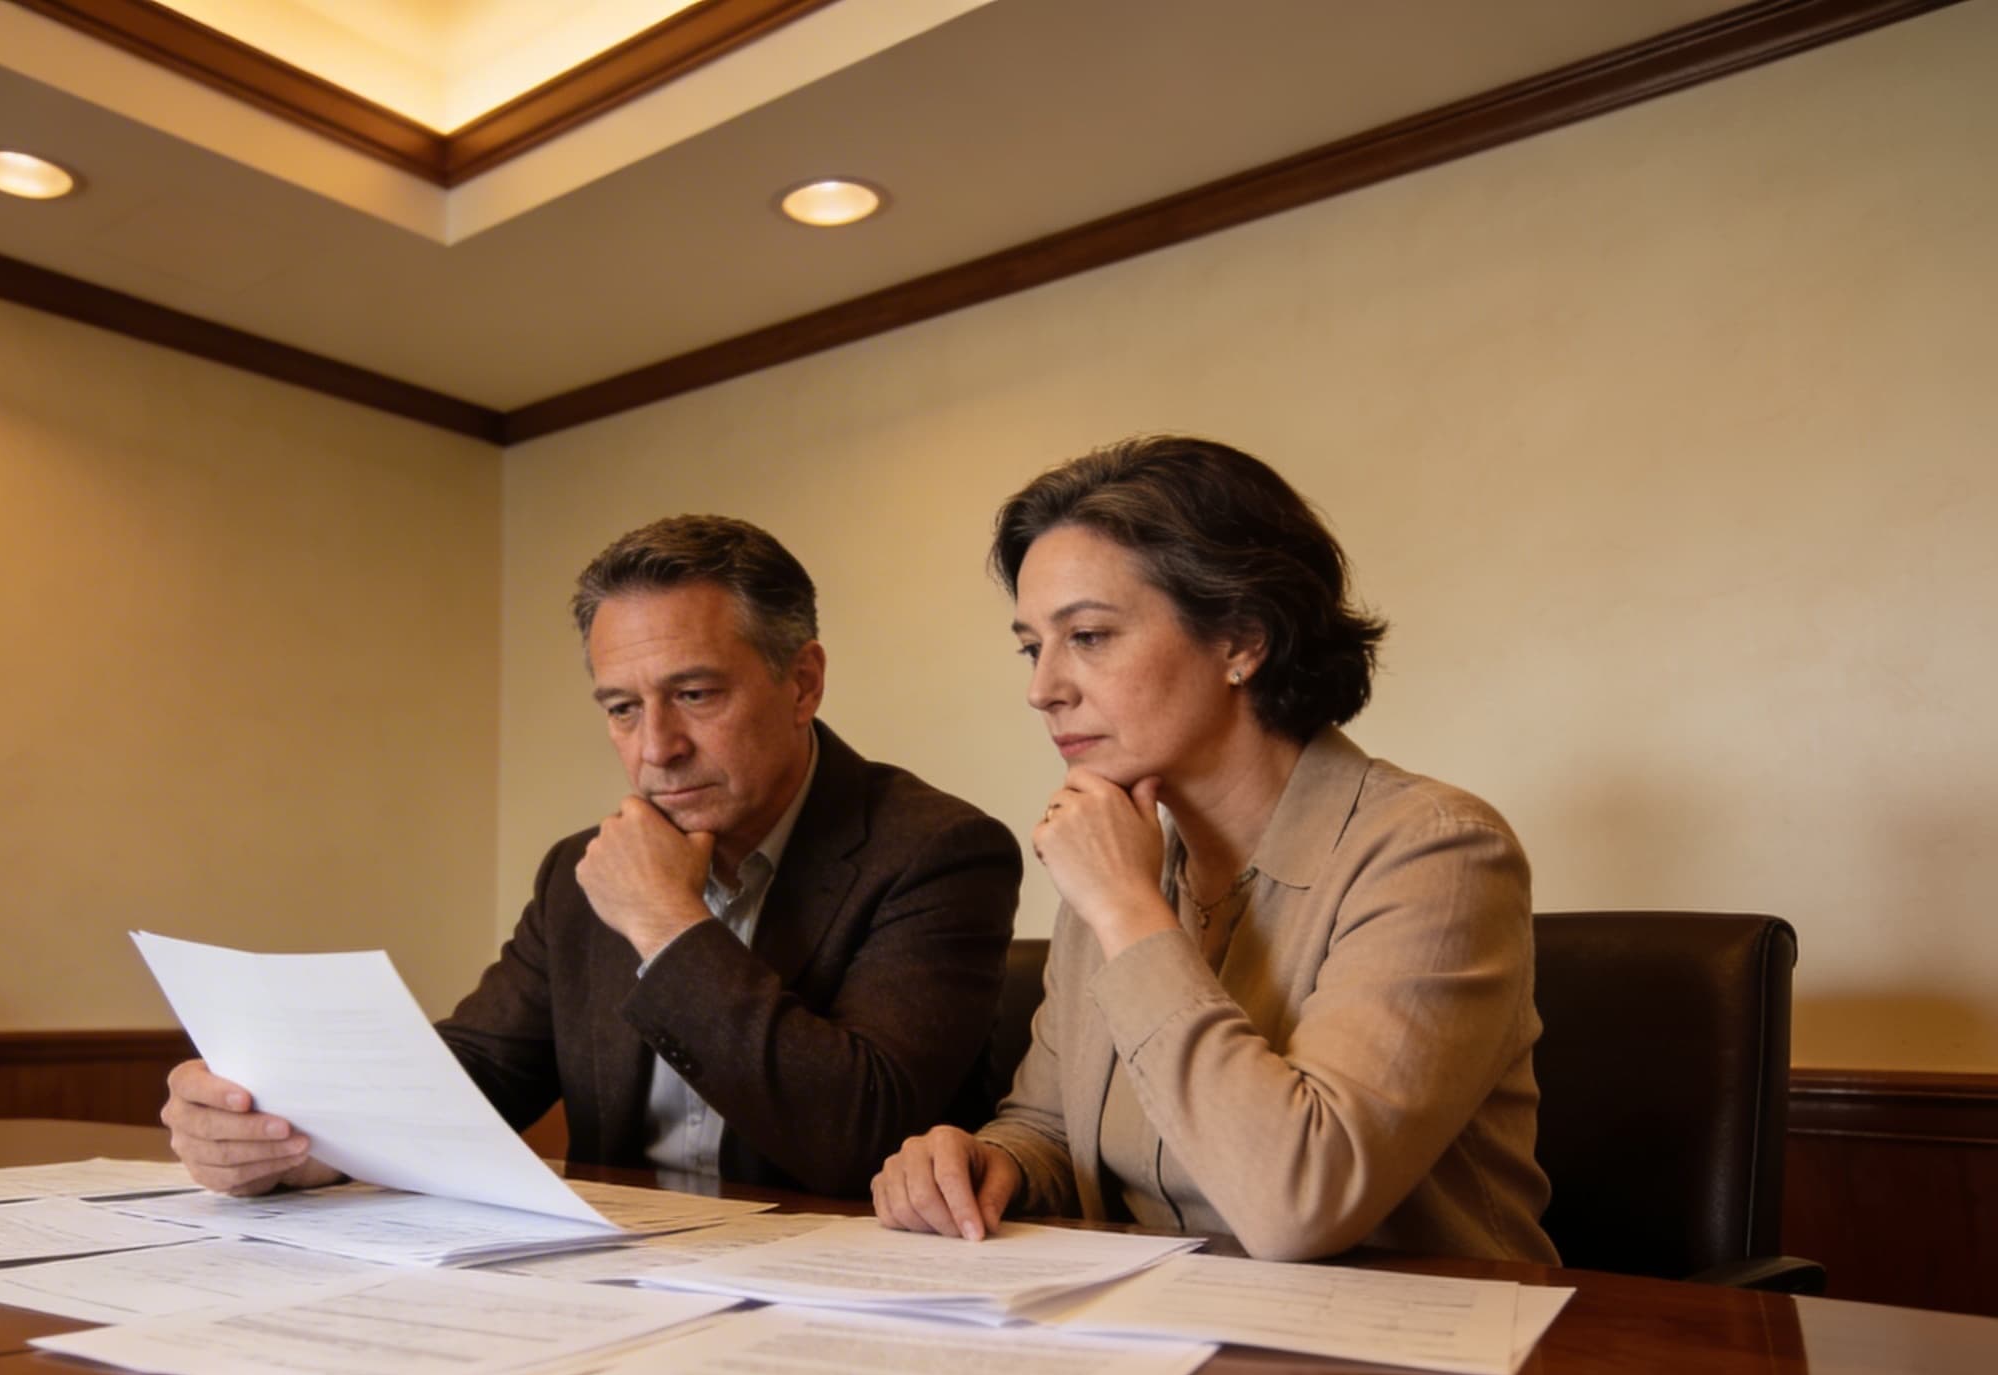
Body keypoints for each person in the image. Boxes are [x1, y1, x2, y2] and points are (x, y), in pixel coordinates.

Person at [165, 514, 1023, 1198]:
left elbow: (859, 1137)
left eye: (694, 694)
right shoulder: (581, 867)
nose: (657, 747)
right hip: (614, 1283)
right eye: (621, 708)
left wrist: (665, 922)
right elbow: (486, 1069)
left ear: (802, 682)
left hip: (839, 1292)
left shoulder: (939, 850)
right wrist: (293, 1139)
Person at [871, 437, 1555, 1261]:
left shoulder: (1437, 853)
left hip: (1415, 1364)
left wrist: (1128, 910)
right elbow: (1048, 1124)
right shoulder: (1121, 861)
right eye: (1031, 645)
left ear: (1241, 639)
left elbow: (1301, 1203)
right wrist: (983, 1161)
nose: (1041, 688)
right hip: (1163, 1340)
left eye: (1086, 635)